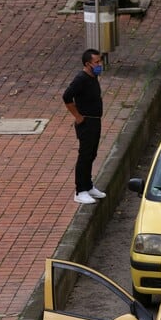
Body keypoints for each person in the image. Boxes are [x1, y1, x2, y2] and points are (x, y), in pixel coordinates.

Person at [62, 49, 107, 204]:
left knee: (92, 154)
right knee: (85, 155)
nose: (99, 65)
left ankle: (88, 185)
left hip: (95, 121)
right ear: (88, 64)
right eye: (96, 62)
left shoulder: (93, 77)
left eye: (100, 61)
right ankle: (80, 190)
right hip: (86, 122)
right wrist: (78, 117)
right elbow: (67, 96)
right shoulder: (80, 79)